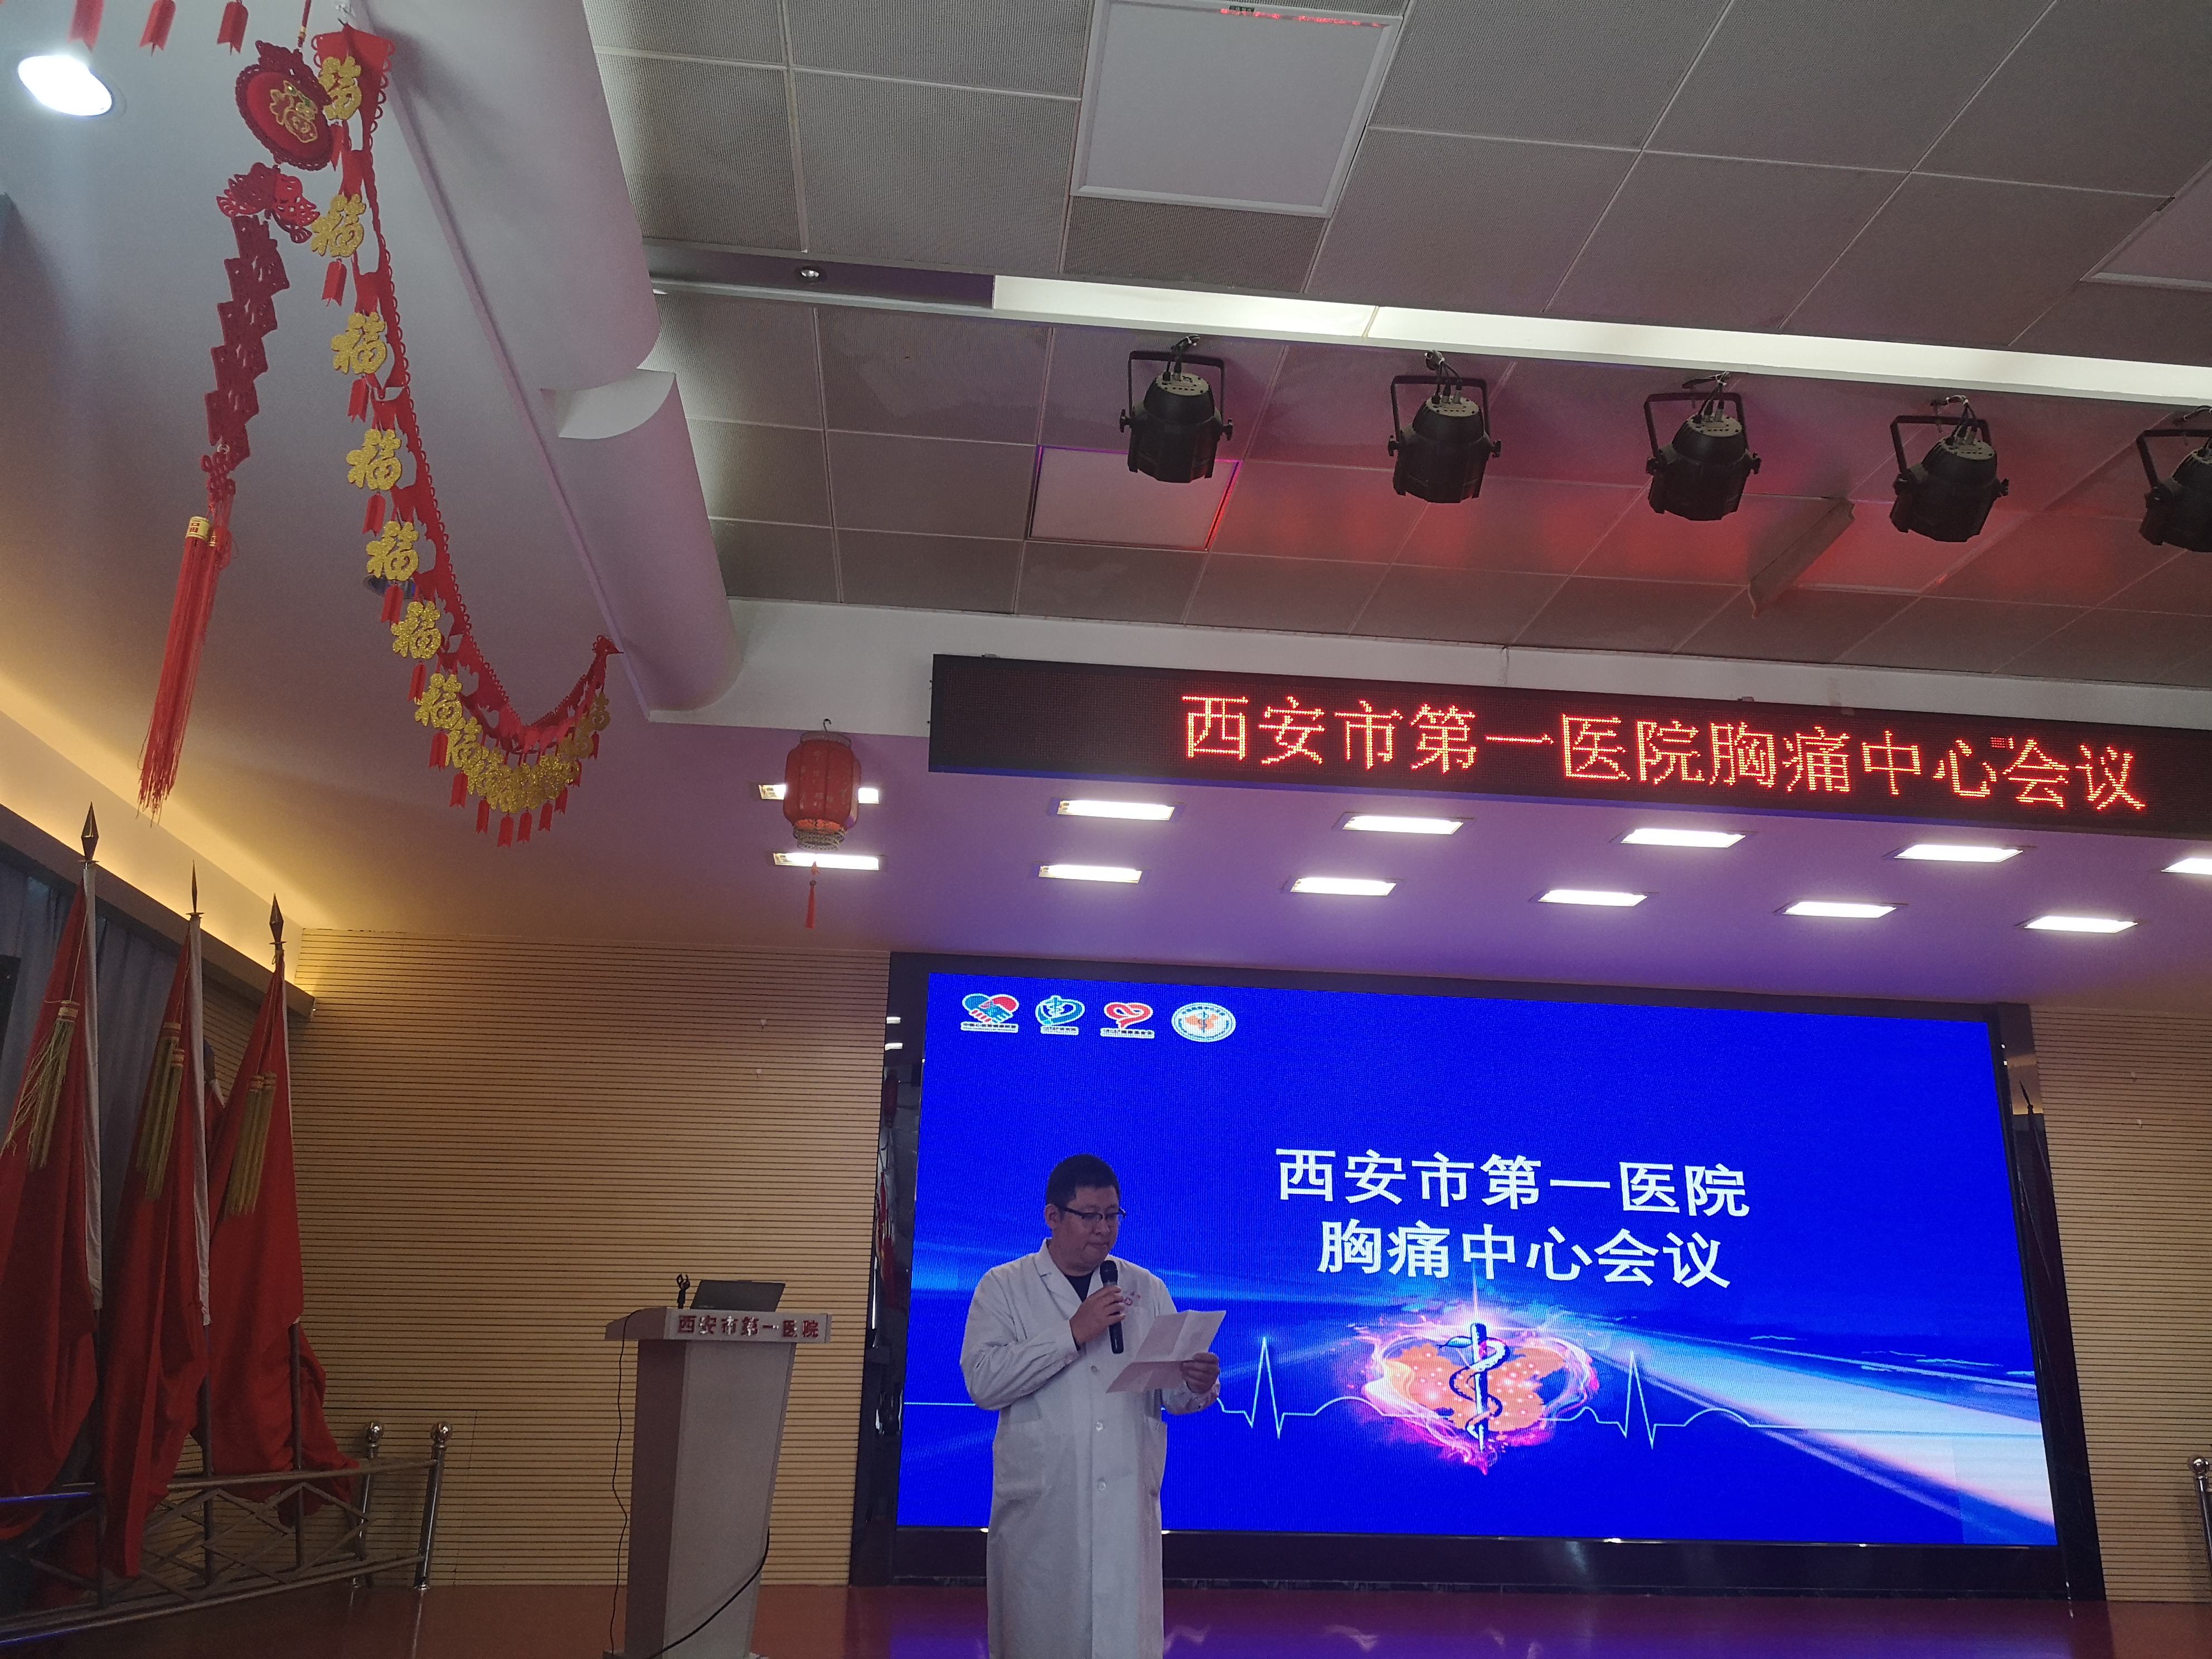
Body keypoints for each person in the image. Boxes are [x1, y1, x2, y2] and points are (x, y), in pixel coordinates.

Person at [961, 1154, 1220, 1659]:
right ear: (1053, 1217)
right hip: (1044, 1510)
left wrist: (1198, 1384)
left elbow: (1172, 1395)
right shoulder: (1005, 1286)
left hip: (1126, 1506)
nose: (1104, 1229)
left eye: (1113, 1215)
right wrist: (1072, 1334)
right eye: (1090, 1216)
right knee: (1041, 1635)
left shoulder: (1145, 1288)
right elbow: (984, 1382)